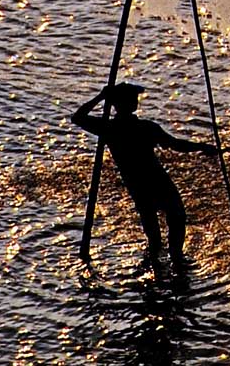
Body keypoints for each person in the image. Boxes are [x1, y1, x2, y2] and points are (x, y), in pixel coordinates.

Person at [72, 82, 217, 269]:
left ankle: (167, 261)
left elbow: (78, 117)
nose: (135, 102)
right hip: (155, 183)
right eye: (132, 99)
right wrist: (201, 147)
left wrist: (101, 97)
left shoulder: (109, 128)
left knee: (161, 228)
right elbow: (176, 144)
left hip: (139, 186)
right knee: (174, 219)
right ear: (125, 104)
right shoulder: (136, 128)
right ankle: (175, 261)